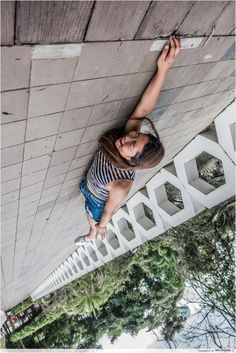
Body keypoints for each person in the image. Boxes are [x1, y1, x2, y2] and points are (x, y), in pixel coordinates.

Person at [75, 35, 180, 244]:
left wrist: (102, 225)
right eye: (136, 135)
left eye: (132, 144)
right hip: (91, 182)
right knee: (84, 198)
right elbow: (144, 107)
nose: (127, 137)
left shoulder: (122, 185)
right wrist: (163, 69)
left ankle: (91, 235)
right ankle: (92, 231)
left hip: (98, 202)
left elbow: (110, 209)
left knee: (90, 216)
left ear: (132, 162)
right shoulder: (129, 138)